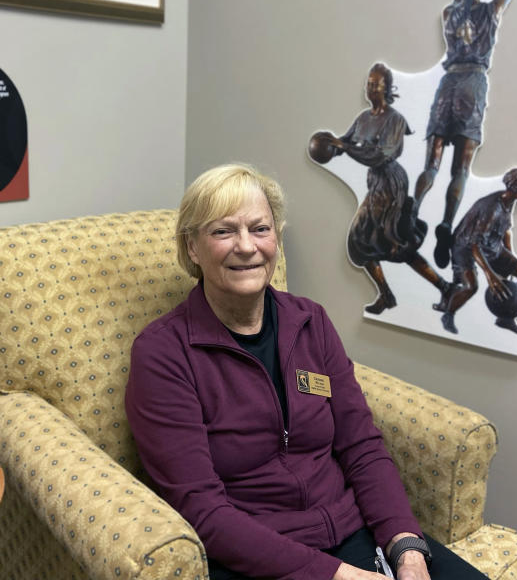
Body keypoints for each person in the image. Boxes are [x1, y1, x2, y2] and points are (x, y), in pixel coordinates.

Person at [125, 163, 488, 580]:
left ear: (276, 237)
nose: (246, 246)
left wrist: (406, 549)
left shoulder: (310, 322)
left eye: (260, 229)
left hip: (352, 530)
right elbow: (202, 510)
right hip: (254, 554)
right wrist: (339, 576)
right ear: (192, 247)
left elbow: (362, 448)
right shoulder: (163, 354)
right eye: (223, 231)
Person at [414, 0, 517, 269]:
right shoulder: (490, 12)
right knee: (460, 170)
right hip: (474, 85)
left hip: (448, 83)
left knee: (432, 161)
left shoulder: (448, 14)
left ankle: (413, 209)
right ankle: (445, 223)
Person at [310, 64, 452, 315]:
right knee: (361, 241)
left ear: (387, 89)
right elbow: (346, 141)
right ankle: (391, 294)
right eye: (369, 83)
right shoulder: (364, 118)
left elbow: (381, 155)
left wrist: (347, 148)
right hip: (375, 182)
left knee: (393, 242)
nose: (371, 88)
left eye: (377, 84)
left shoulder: (394, 120)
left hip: (391, 184)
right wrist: (331, 143)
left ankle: (442, 287)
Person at [439, 167, 517, 335]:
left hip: (489, 244)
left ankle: (505, 318)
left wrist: (510, 258)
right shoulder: (491, 208)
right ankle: (448, 314)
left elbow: (506, 231)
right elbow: (474, 244)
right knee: (471, 286)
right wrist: (491, 276)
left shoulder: (508, 202)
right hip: (465, 246)